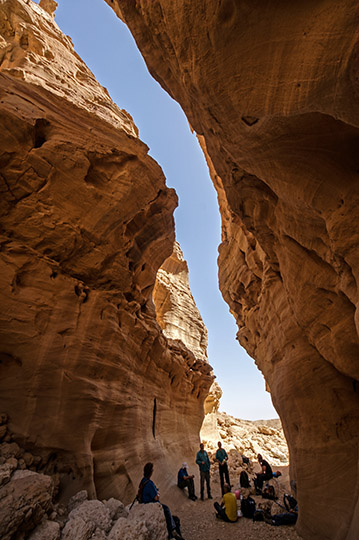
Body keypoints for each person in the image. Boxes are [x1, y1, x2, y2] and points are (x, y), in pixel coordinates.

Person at [139, 462, 184, 540]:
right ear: (151, 472)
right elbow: (156, 497)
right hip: (152, 506)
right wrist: (158, 493)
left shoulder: (143, 481)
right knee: (168, 511)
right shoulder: (149, 483)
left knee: (172, 517)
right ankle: (173, 532)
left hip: (145, 504)